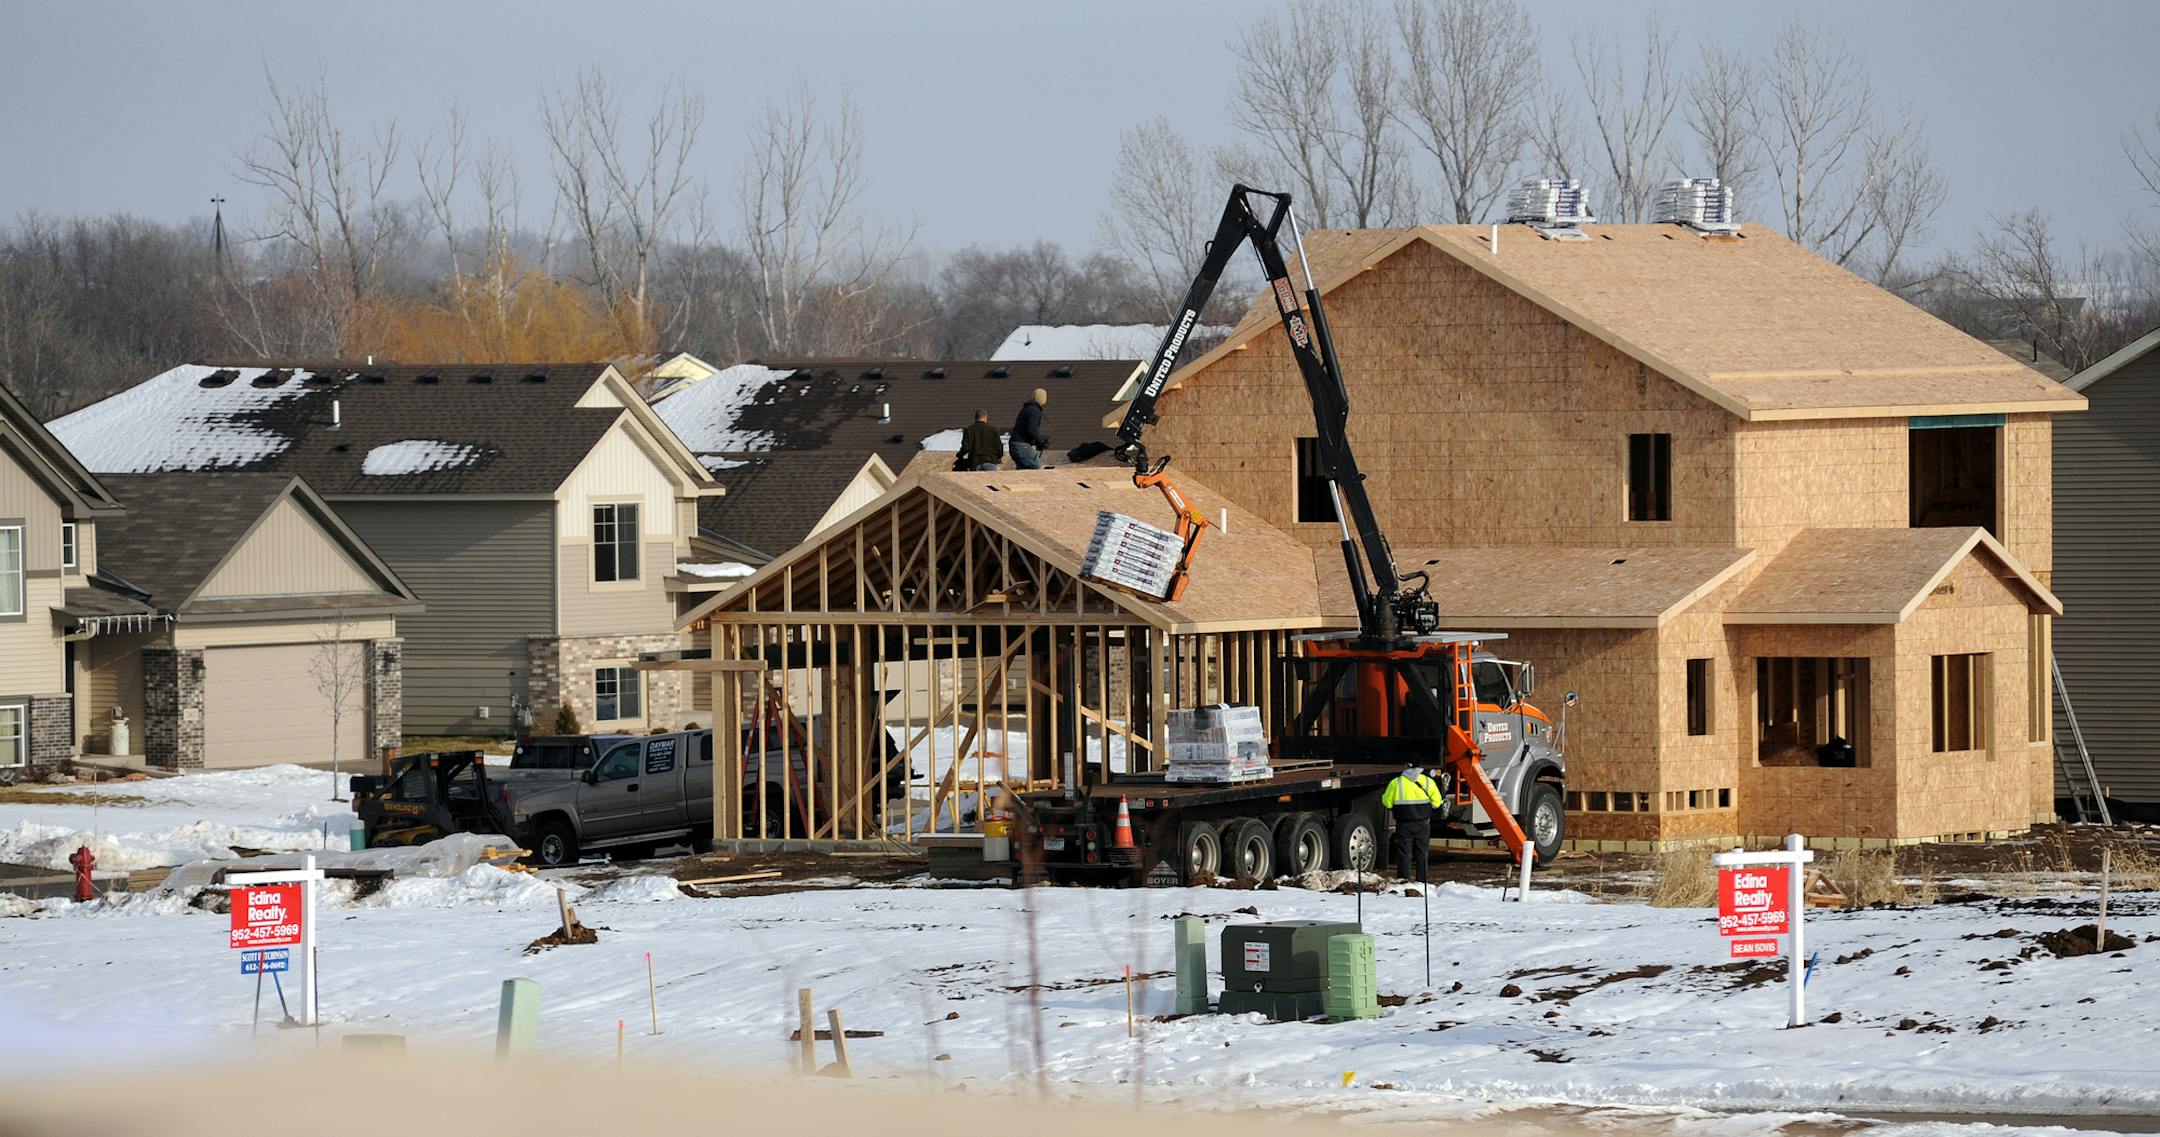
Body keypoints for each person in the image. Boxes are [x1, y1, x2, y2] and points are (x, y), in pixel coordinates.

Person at [1381, 763, 1444, 883]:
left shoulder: (1396, 782)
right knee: (1422, 853)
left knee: (1404, 852)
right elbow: (1437, 803)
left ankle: (1403, 880)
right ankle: (1422, 881)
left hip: (1403, 823)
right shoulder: (1427, 781)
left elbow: (1387, 802)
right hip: (1423, 823)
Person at [1010, 387, 1049, 469]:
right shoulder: (1034, 411)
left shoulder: (1026, 409)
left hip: (1014, 444)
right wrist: (1041, 441)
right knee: (1034, 467)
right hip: (1022, 445)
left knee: (1023, 470)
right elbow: (1032, 430)